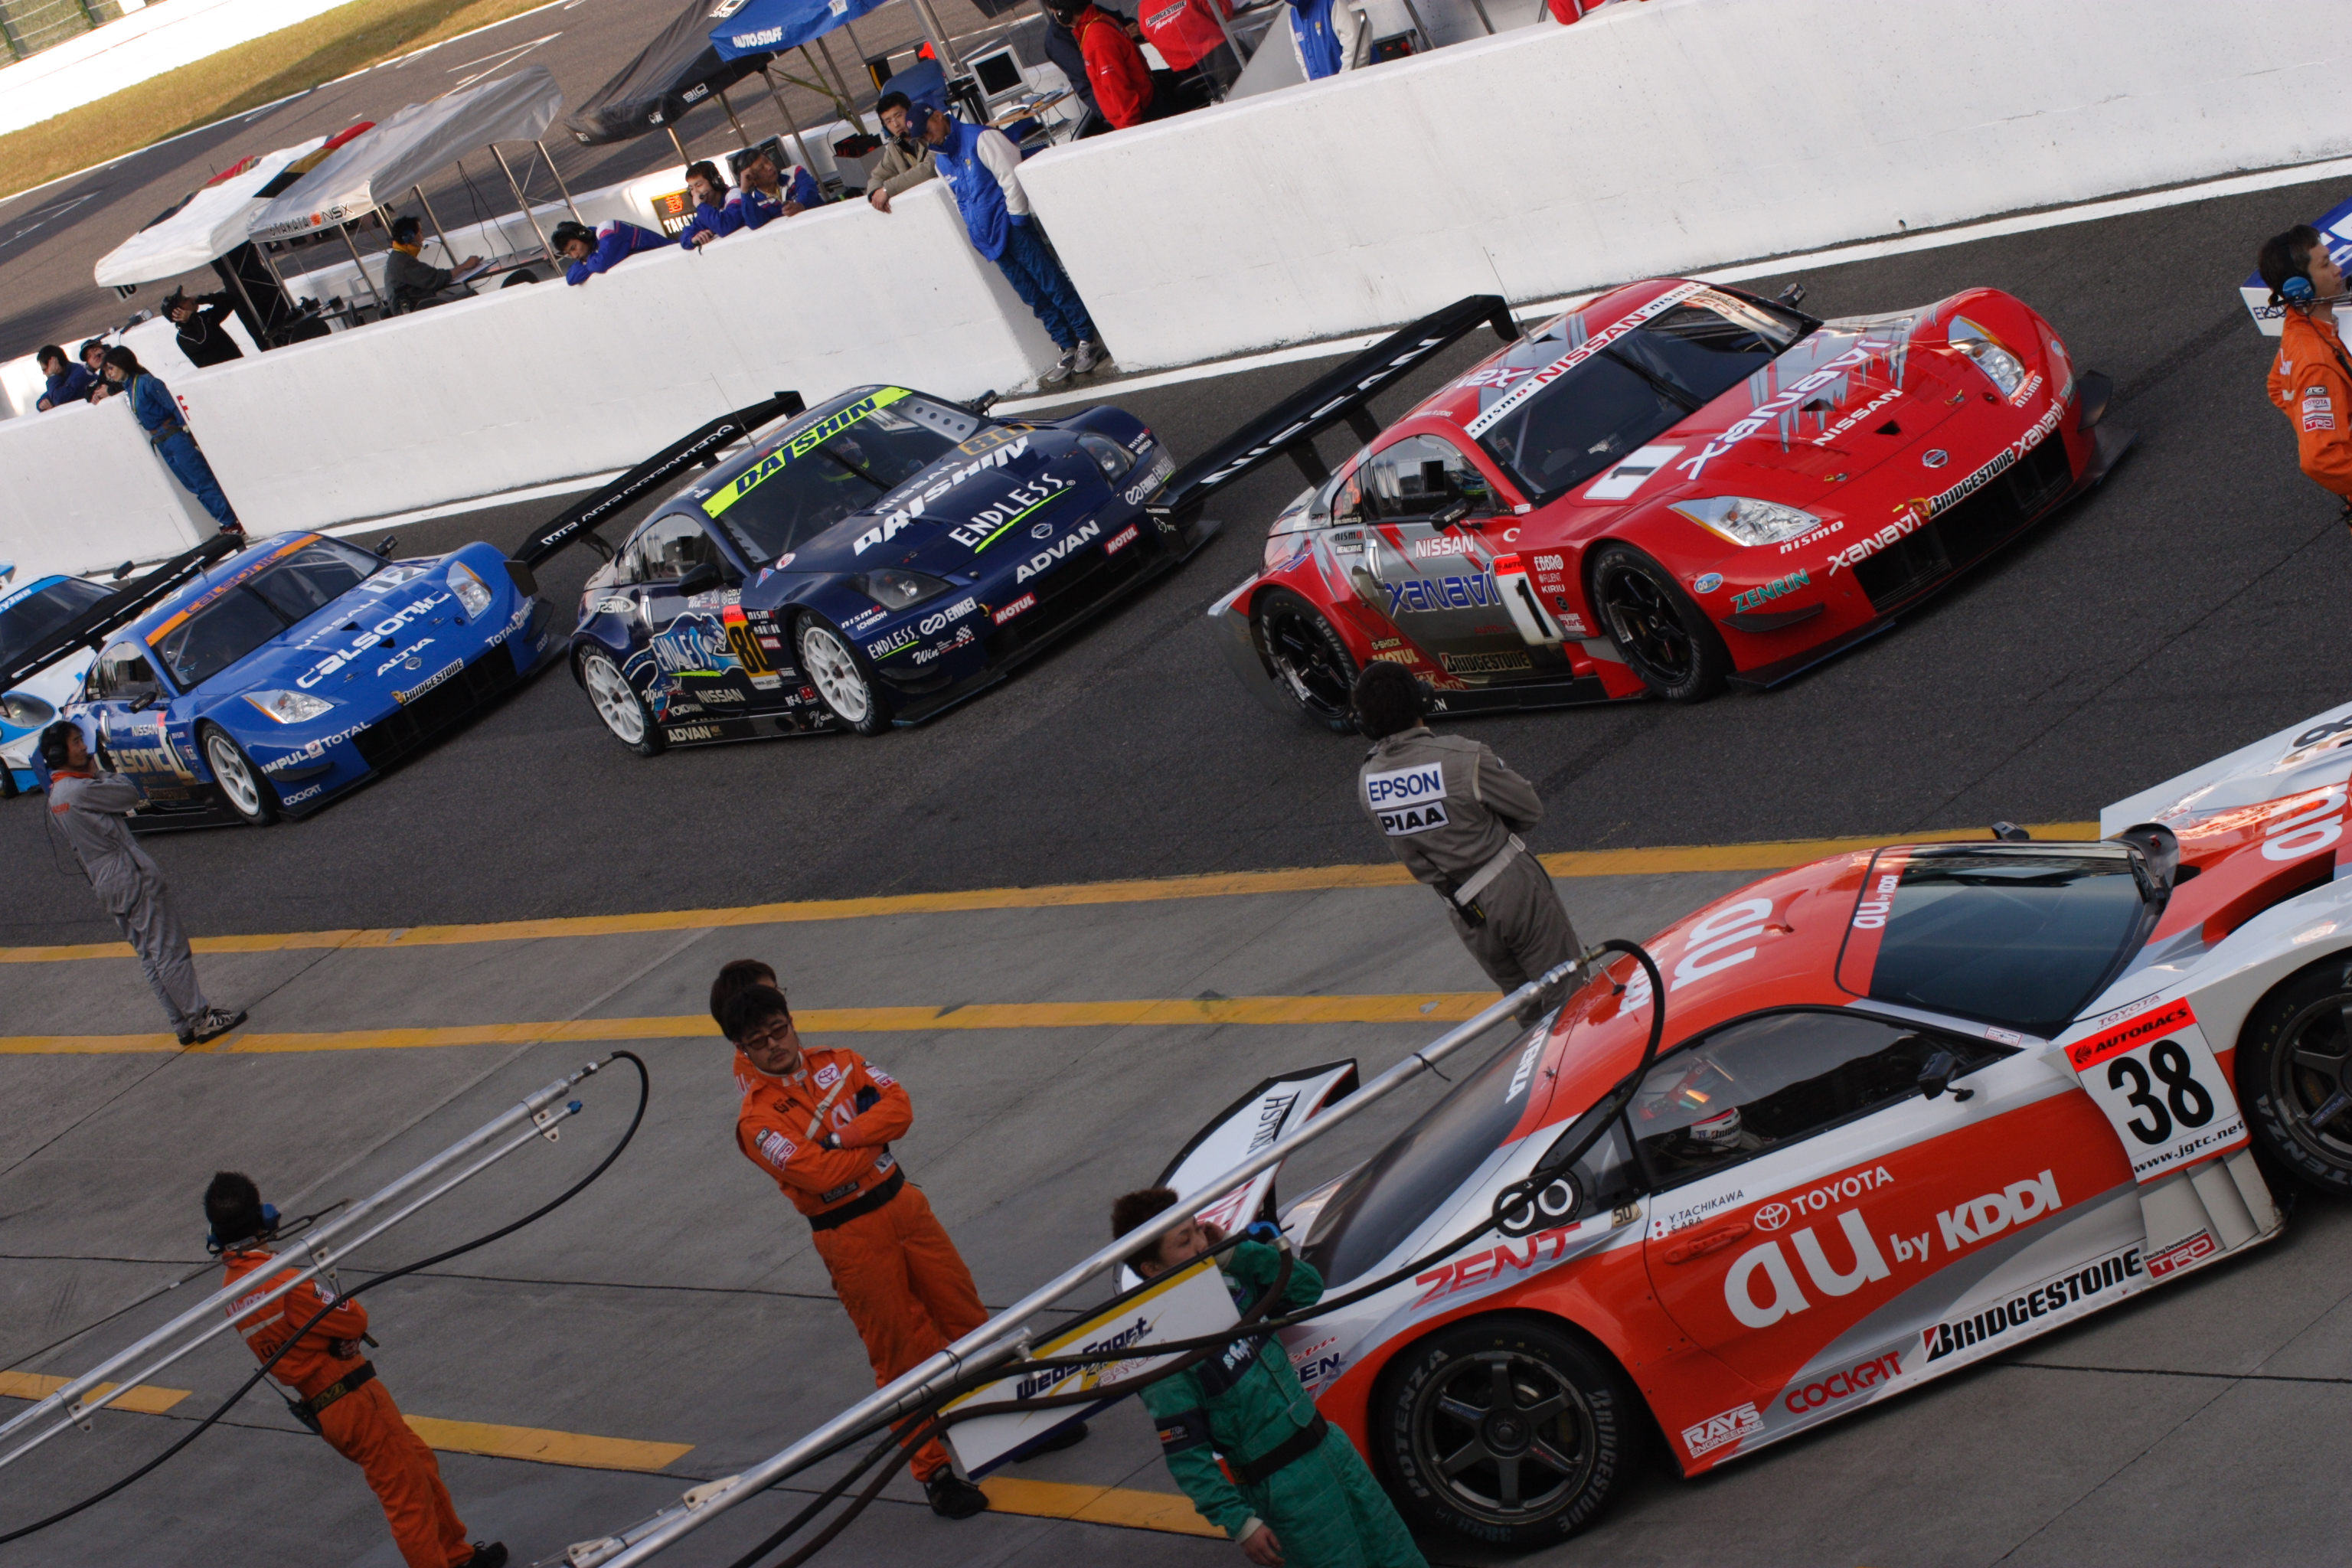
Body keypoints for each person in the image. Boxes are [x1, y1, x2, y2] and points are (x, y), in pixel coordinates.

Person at [720, 981, 1086, 1517]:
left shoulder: (842, 1061)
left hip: (907, 1208)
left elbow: (900, 1109)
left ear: (792, 1023)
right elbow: (816, 1175)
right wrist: (872, 1142)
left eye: (779, 1030)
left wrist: (841, 1139)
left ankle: (1017, 1427)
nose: (774, 1044)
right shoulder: (757, 1119)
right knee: (898, 1355)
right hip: (850, 1235)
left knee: (969, 1318)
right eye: (758, 1041)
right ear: (742, 1050)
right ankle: (934, 1473)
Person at [206, 1172, 507, 1568]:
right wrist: (340, 1336)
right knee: (407, 1497)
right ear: (263, 1222)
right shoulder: (282, 1282)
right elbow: (354, 1318)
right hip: (353, 1397)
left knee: (419, 1466)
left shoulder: (233, 1287)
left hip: (326, 1404)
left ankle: (456, 1556)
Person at [1115, 1187, 1427, 1568]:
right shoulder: (1164, 1354)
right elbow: (1188, 1460)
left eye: (1197, 1229)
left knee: (1400, 1556)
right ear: (1152, 1269)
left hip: (1332, 1450)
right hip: (1282, 1491)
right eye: (1184, 1241)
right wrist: (1240, 1523)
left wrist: (1237, 1254)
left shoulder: (1233, 1287)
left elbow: (1308, 1288)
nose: (1200, 1244)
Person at [1351, 661, 1579, 1022]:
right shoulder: (1462, 757)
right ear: (1422, 701)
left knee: (1530, 1014)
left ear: (1365, 723)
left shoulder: (1368, 781)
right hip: (1511, 887)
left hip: (1462, 910)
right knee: (1571, 998)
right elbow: (1530, 810)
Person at [41, 720, 244, 1044]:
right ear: (58, 753)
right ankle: (201, 1018)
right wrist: (100, 773)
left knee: (148, 956)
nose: (84, 747)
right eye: (76, 742)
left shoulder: (56, 797)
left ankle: (181, 1024)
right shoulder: (83, 788)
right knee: (168, 949)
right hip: (127, 873)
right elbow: (128, 795)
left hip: (103, 880)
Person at [901, 103, 1104, 384]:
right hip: (989, 239)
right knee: (1032, 296)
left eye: (927, 131)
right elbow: (958, 199)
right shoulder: (941, 161)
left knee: (1051, 282)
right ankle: (1065, 345)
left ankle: (1086, 339)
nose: (927, 138)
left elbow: (1010, 176)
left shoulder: (980, 138)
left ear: (938, 116)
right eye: (921, 137)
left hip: (1012, 228)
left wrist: (1017, 220)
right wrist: (976, 234)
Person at [2260, 224, 2352, 515]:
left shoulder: (2298, 327)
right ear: (2300, 288)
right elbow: (2320, 460)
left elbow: (2278, 386)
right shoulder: (2316, 364)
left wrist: (2324, 416)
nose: (2338, 270)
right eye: (2325, 265)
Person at [100, 345, 239, 534]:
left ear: (123, 363)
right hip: (161, 441)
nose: (109, 374)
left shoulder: (147, 383)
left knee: (201, 479)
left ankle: (231, 520)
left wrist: (188, 434)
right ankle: (223, 519)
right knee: (191, 484)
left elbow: (174, 407)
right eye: (106, 370)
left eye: (111, 368)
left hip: (174, 436)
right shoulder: (130, 388)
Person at [1046, 0, 1157, 129]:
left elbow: (1116, 87)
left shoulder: (1096, 40)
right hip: (1141, 106)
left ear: (1062, 14)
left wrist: (1130, 128)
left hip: (1135, 117)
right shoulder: (1099, 18)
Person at [1135, 0, 1240, 96]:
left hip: (1186, 73)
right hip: (1219, 56)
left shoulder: (1144, 8)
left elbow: (1149, 35)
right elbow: (1223, 12)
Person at [383, 216, 482, 309]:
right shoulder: (403, 262)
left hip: (418, 305)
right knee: (471, 295)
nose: (422, 239)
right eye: (420, 233)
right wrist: (464, 266)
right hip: (418, 309)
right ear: (409, 237)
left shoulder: (397, 257)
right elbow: (436, 279)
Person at [1038, 5, 1108, 136]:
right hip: (1107, 102)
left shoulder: (1087, 10)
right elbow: (1086, 71)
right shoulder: (1057, 38)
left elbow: (1120, 21)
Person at [865, 93, 939, 211]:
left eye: (899, 116)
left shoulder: (929, 130)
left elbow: (929, 169)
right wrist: (876, 193)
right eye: (889, 121)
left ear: (911, 111)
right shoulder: (895, 146)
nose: (896, 124)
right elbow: (877, 177)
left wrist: (887, 189)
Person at [552, 218, 667, 285]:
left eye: (573, 248)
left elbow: (601, 264)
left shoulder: (608, 231)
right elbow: (571, 278)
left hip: (669, 260)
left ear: (584, 235)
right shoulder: (590, 250)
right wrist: (592, 261)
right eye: (569, 253)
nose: (574, 256)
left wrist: (590, 262)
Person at [733, 147, 822, 228]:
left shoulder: (794, 173)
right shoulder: (756, 204)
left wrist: (800, 205)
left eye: (767, 161)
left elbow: (809, 189)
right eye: (761, 168)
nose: (769, 167)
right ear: (753, 180)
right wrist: (744, 190)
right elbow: (755, 223)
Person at [1286, 0, 1368, 80]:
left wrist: (1340, 84)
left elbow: (1358, 49)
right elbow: (1301, 57)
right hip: (1329, 87)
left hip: (1359, 83)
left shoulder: (1335, 2)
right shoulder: (1294, 14)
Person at [163, 287, 244, 367]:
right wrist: (193, 316)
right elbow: (205, 339)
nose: (191, 298)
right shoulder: (183, 338)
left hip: (241, 365)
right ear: (178, 312)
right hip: (225, 373)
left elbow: (230, 301)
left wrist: (204, 299)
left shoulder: (202, 318)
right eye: (185, 300)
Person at [677, 161, 741, 249]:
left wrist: (700, 206)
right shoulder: (707, 209)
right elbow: (685, 236)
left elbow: (724, 227)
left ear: (715, 182)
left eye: (699, 185)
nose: (695, 193)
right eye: (691, 189)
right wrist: (692, 240)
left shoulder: (735, 194)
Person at [33, 343, 90, 410]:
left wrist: (53, 376)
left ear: (54, 363)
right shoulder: (65, 375)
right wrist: (42, 402)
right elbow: (52, 393)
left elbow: (59, 399)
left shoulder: (79, 373)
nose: (44, 373)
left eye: (45, 369)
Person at [80, 337, 114, 403]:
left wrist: (110, 390)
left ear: (105, 349)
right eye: (89, 356)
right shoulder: (102, 377)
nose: (94, 356)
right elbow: (88, 392)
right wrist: (95, 395)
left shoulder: (120, 363)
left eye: (95, 350)